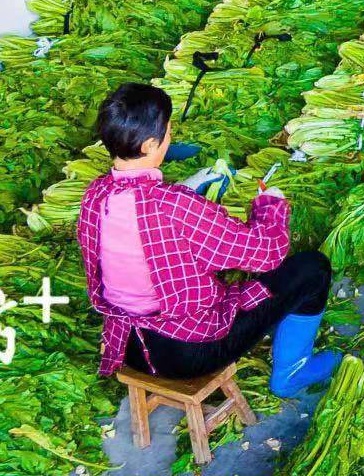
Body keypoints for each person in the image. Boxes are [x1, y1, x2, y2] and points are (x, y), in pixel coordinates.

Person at [76, 83, 341, 394]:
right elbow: (266, 253)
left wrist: (186, 191)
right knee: (313, 268)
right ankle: (292, 374)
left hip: (127, 345)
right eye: (168, 131)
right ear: (149, 144)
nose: (169, 137)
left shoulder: (95, 195)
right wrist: (270, 207)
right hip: (187, 352)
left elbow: (140, 235)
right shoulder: (174, 206)